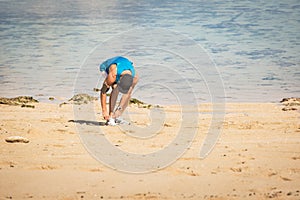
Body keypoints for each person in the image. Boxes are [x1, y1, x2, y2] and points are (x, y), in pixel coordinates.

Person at [99, 56, 138, 125]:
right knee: (115, 89)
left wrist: (119, 109)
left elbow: (128, 94)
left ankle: (116, 116)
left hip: (122, 69)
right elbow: (103, 91)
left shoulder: (134, 78)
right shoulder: (113, 75)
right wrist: (104, 111)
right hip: (106, 68)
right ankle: (111, 115)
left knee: (128, 93)